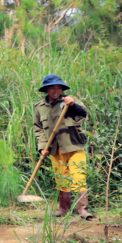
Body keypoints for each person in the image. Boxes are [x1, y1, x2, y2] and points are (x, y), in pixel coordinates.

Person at [34, 74, 93, 219]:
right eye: (53, 88)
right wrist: (42, 147)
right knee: (61, 178)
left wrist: (73, 105)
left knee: (78, 176)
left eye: (59, 87)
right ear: (46, 89)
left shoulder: (70, 101)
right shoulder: (39, 107)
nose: (56, 91)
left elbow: (84, 115)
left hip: (74, 146)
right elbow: (38, 128)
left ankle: (83, 210)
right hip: (54, 148)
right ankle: (64, 208)